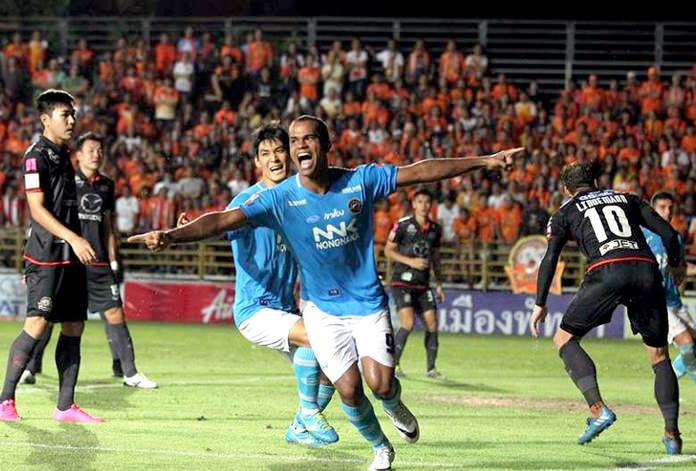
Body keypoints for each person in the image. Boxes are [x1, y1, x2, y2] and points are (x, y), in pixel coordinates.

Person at [129, 115, 521, 470]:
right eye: (294, 140)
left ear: (326, 145)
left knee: (380, 384)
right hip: (317, 309)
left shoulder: (358, 180)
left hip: (366, 302)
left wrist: (484, 161)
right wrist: (172, 236)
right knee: (348, 388)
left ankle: (386, 403)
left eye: (308, 139)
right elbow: (224, 219)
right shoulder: (278, 198)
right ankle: (379, 448)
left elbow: (418, 172)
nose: (300, 146)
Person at [179, 122, 337, 447]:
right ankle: (308, 412)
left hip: (285, 309)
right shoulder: (248, 201)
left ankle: (297, 427)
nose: (274, 158)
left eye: (279, 150)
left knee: (333, 373)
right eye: (265, 153)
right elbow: (217, 225)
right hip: (255, 310)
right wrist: (189, 229)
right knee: (313, 336)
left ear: (290, 154)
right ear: (257, 162)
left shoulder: (300, 199)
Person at [530, 162, 685, 454]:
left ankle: (598, 409)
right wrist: (676, 264)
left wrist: (540, 303)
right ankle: (672, 435)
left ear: (566, 189)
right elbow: (668, 233)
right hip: (645, 269)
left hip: (606, 269)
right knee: (659, 355)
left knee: (564, 339)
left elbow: (550, 258)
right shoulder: (627, 198)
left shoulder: (564, 212)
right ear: (597, 182)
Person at [19, 133, 157, 389]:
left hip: (98, 262)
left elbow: (108, 226)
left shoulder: (106, 185)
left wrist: (114, 260)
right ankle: (30, 367)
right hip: (66, 260)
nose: (96, 154)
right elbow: (39, 216)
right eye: (91, 149)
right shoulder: (65, 179)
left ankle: (130, 372)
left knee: (115, 311)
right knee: (47, 315)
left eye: (100, 150)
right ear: (78, 155)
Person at [0, 89, 101, 423]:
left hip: (71, 254)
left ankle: (65, 406)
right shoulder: (35, 155)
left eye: (73, 114)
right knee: (37, 324)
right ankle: (5, 401)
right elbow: (37, 210)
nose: (72, 120)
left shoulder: (66, 152)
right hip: (46, 254)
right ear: (46, 119)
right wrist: (74, 237)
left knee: (74, 326)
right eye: (64, 115)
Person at [384, 188, 445, 379]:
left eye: (427, 202)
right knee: (408, 323)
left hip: (424, 284)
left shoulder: (435, 229)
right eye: (420, 202)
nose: (424, 206)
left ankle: (431, 369)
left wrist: (440, 283)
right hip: (402, 282)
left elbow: (435, 258)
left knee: (432, 324)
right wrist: (411, 262)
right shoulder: (402, 226)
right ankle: (393, 364)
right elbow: (389, 250)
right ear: (414, 204)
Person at [642, 191, 696, 385]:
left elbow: (678, 268)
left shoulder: (675, 238)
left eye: (671, 208)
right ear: (652, 210)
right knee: (687, 344)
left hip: (674, 300)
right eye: (663, 208)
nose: (668, 212)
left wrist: (682, 272)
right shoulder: (641, 236)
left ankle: (669, 379)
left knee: (694, 347)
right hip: (656, 302)